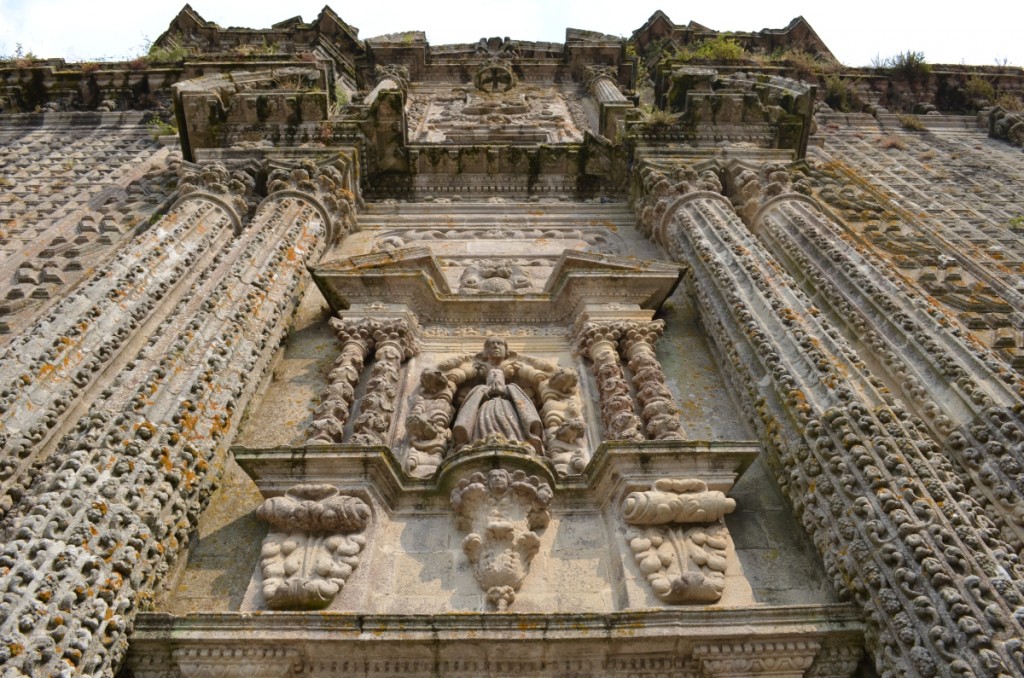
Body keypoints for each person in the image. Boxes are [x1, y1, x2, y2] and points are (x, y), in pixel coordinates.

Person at [453, 338, 543, 453]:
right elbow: (469, 408)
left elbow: (524, 407)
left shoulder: (512, 388)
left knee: (512, 427)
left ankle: (516, 441)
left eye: (499, 343)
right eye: (492, 344)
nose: (496, 346)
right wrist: (485, 392)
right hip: (485, 409)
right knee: (482, 427)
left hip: (507, 409)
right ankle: (478, 442)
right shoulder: (479, 389)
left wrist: (506, 391)